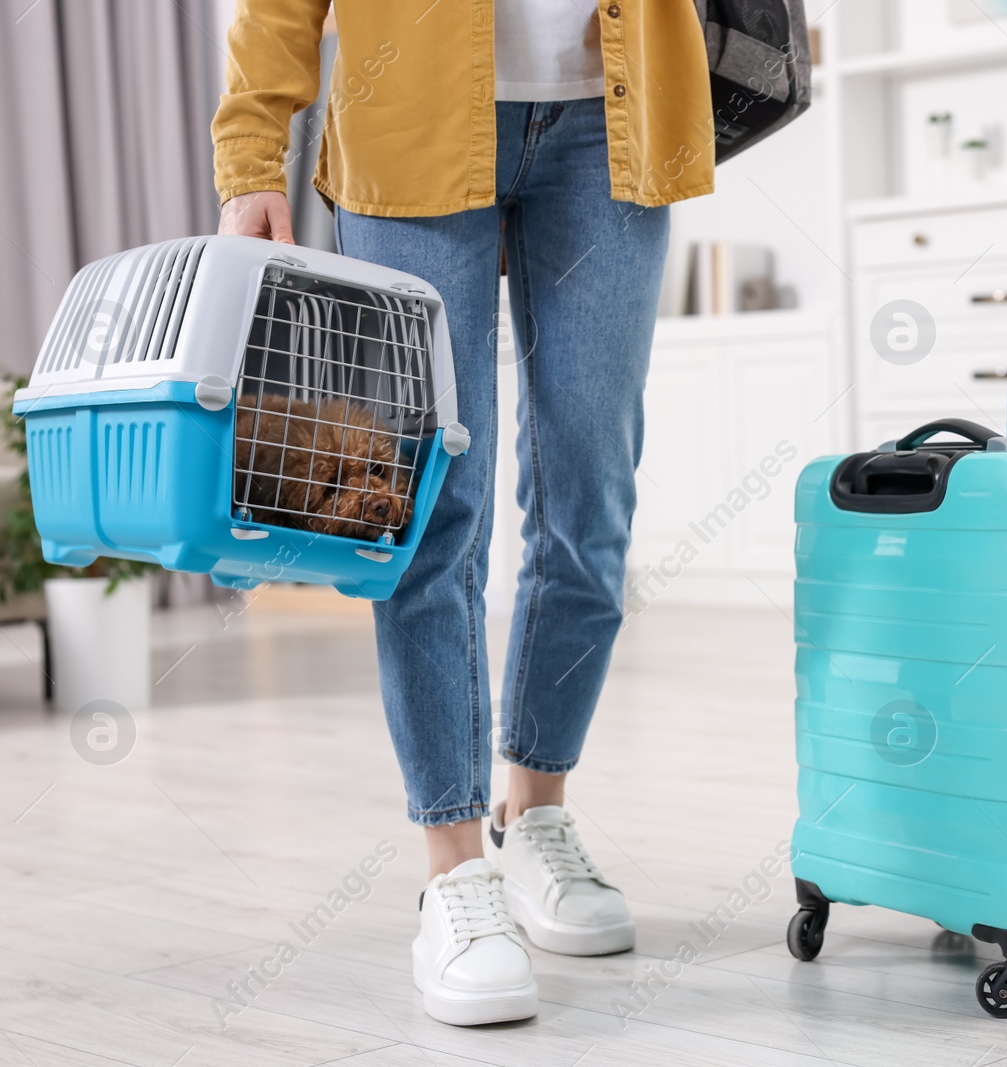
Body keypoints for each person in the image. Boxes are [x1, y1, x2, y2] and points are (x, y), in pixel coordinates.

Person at [211, 0, 713, 1027]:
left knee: (591, 492)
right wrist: (251, 154)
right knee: (434, 504)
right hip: (409, 118)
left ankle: (534, 812)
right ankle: (451, 868)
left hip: (613, 127)